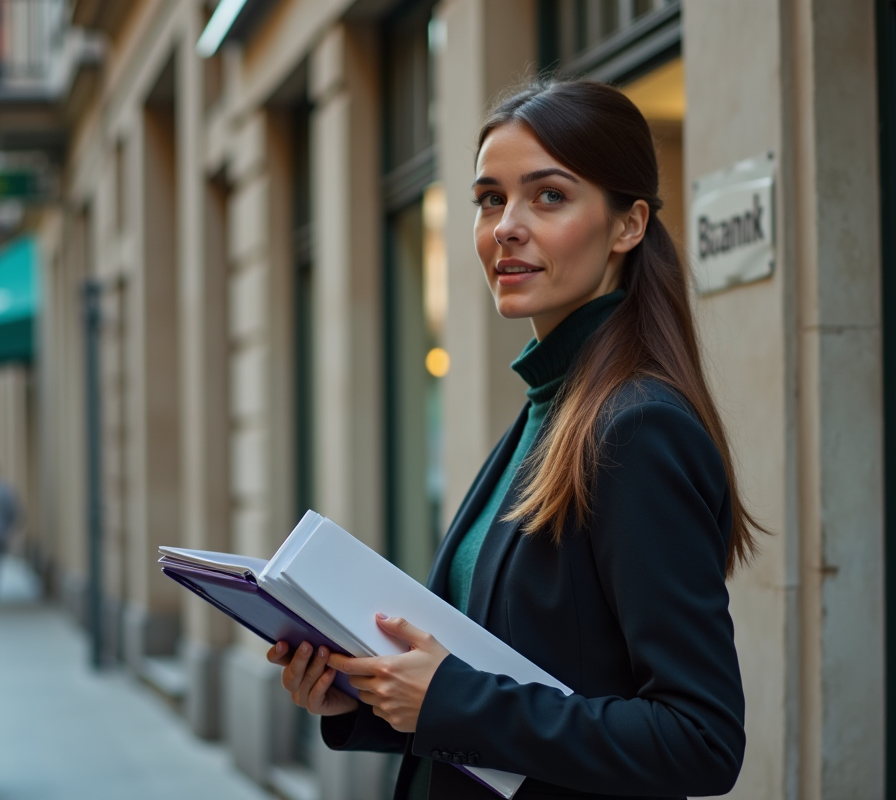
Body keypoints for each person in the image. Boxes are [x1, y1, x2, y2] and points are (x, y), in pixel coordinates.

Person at [268, 79, 762, 799]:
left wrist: (449, 702)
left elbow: (701, 740)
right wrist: (367, 694)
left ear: (628, 226)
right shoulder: (550, 409)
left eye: (549, 196)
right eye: (490, 199)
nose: (505, 226)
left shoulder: (637, 427)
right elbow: (508, 672)